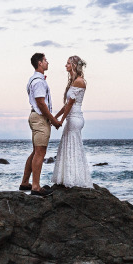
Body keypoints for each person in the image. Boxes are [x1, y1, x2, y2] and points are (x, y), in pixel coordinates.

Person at [20, 52, 61, 196]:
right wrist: (53, 120)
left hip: (35, 117)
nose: (47, 62)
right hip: (40, 118)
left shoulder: (34, 79)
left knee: (35, 151)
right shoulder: (38, 81)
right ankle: (35, 187)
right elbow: (41, 103)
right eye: (45, 60)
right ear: (39, 63)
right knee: (40, 152)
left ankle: (25, 182)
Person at [51, 55, 93, 188]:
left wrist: (61, 120)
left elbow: (70, 105)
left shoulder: (79, 81)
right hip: (72, 117)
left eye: (68, 63)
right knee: (69, 146)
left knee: (72, 147)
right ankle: (69, 177)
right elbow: (66, 105)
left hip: (74, 118)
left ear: (74, 65)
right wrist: (55, 117)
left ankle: (74, 179)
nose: (66, 65)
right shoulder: (74, 81)